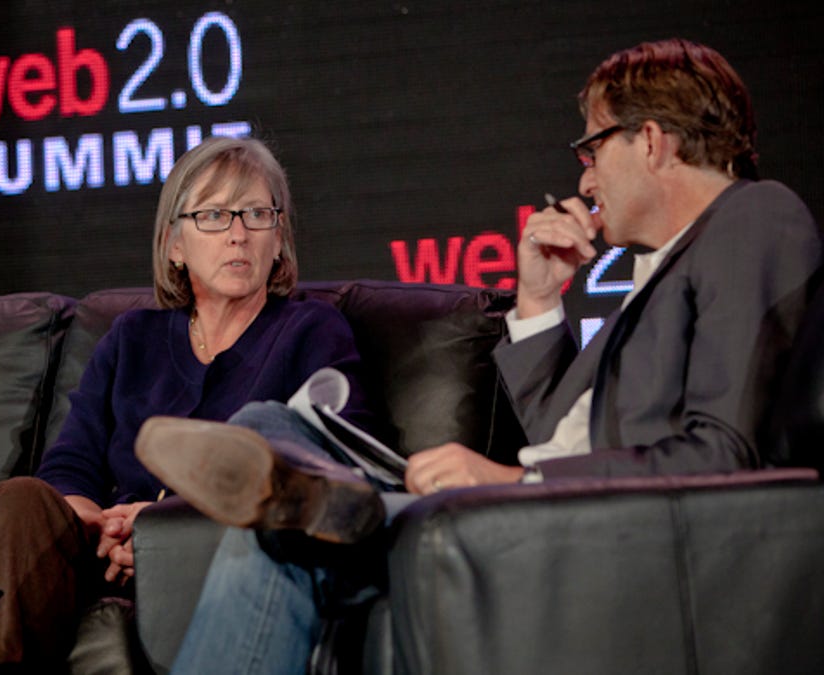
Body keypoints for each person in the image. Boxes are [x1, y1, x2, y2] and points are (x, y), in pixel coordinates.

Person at [137, 37, 823, 674]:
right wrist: (537, 301)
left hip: (587, 528)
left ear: (650, 140)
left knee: (279, 497)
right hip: (562, 510)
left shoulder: (753, 217)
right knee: (270, 426)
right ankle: (339, 497)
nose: (584, 182)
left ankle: (345, 500)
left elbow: (721, 452)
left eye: (590, 151)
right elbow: (561, 434)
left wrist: (505, 481)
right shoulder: (662, 273)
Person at [0, 135, 383, 671]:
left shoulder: (310, 330)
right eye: (214, 216)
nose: (238, 234)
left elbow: (340, 465)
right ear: (174, 245)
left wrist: (162, 525)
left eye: (256, 214)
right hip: (100, 555)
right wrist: (99, 523)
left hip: (208, 556)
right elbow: (71, 467)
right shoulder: (131, 338)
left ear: (280, 240)